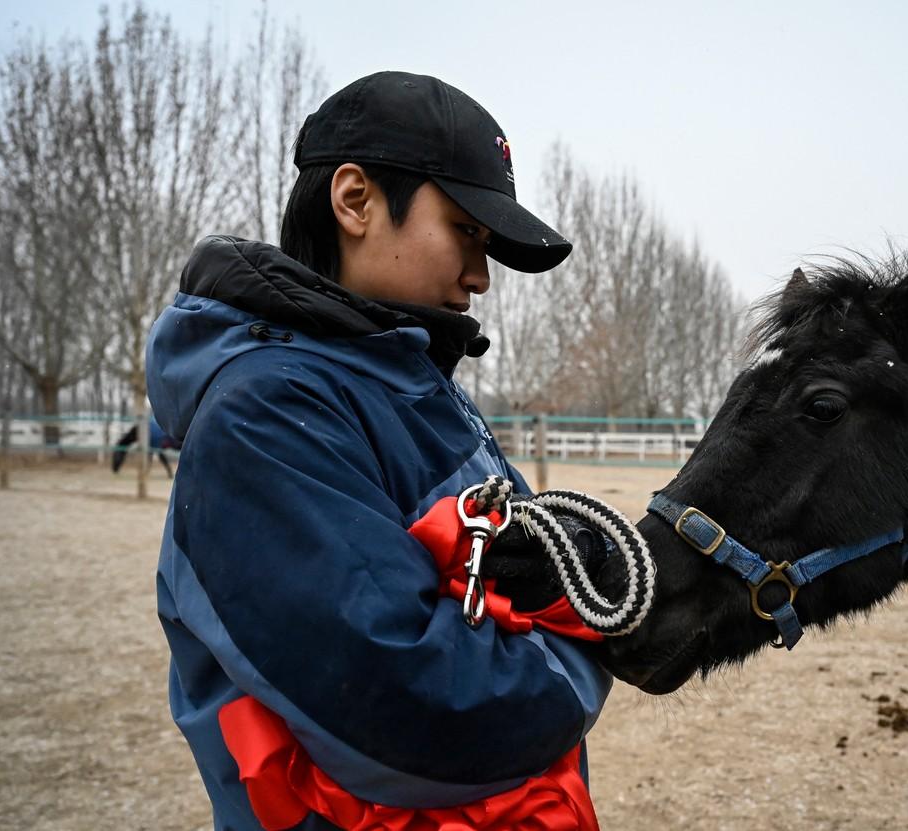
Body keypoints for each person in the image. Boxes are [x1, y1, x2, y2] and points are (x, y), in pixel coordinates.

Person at [148, 72, 610, 830]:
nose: (481, 277)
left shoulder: (412, 386)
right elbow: (426, 707)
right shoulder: (268, 411)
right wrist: (588, 643)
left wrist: (575, 572)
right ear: (355, 200)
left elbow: (533, 569)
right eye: (466, 230)